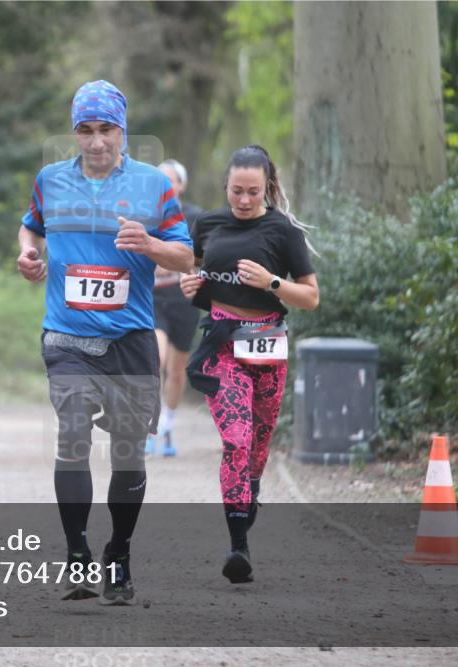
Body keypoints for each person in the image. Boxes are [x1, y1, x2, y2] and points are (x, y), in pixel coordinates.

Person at [17, 80, 193, 605]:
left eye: (106, 129)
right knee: (71, 435)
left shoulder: (152, 185)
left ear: (124, 129)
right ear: (75, 132)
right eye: (86, 130)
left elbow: (186, 257)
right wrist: (28, 256)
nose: (96, 141)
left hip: (131, 340)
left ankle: (118, 552)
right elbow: (30, 228)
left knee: (128, 456)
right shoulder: (50, 180)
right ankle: (76, 555)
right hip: (68, 336)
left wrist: (153, 244)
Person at [181, 145, 318, 584]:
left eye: (253, 193)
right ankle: (238, 546)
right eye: (236, 191)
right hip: (223, 344)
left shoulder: (284, 232)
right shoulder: (207, 224)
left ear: (267, 189)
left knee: (257, 449)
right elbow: (202, 275)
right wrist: (192, 286)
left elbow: (311, 298)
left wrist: (273, 282)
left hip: (269, 347)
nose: (243, 200)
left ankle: (249, 493)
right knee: (236, 441)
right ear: (226, 186)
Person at [147, 159, 204, 457]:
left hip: (184, 301)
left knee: (177, 370)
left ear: (181, 185)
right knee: (156, 357)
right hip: (153, 299)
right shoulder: (146, 216)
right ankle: (148, 426)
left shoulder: (195, 217)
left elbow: (203, 258)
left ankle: (167, 427)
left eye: (171, 180)